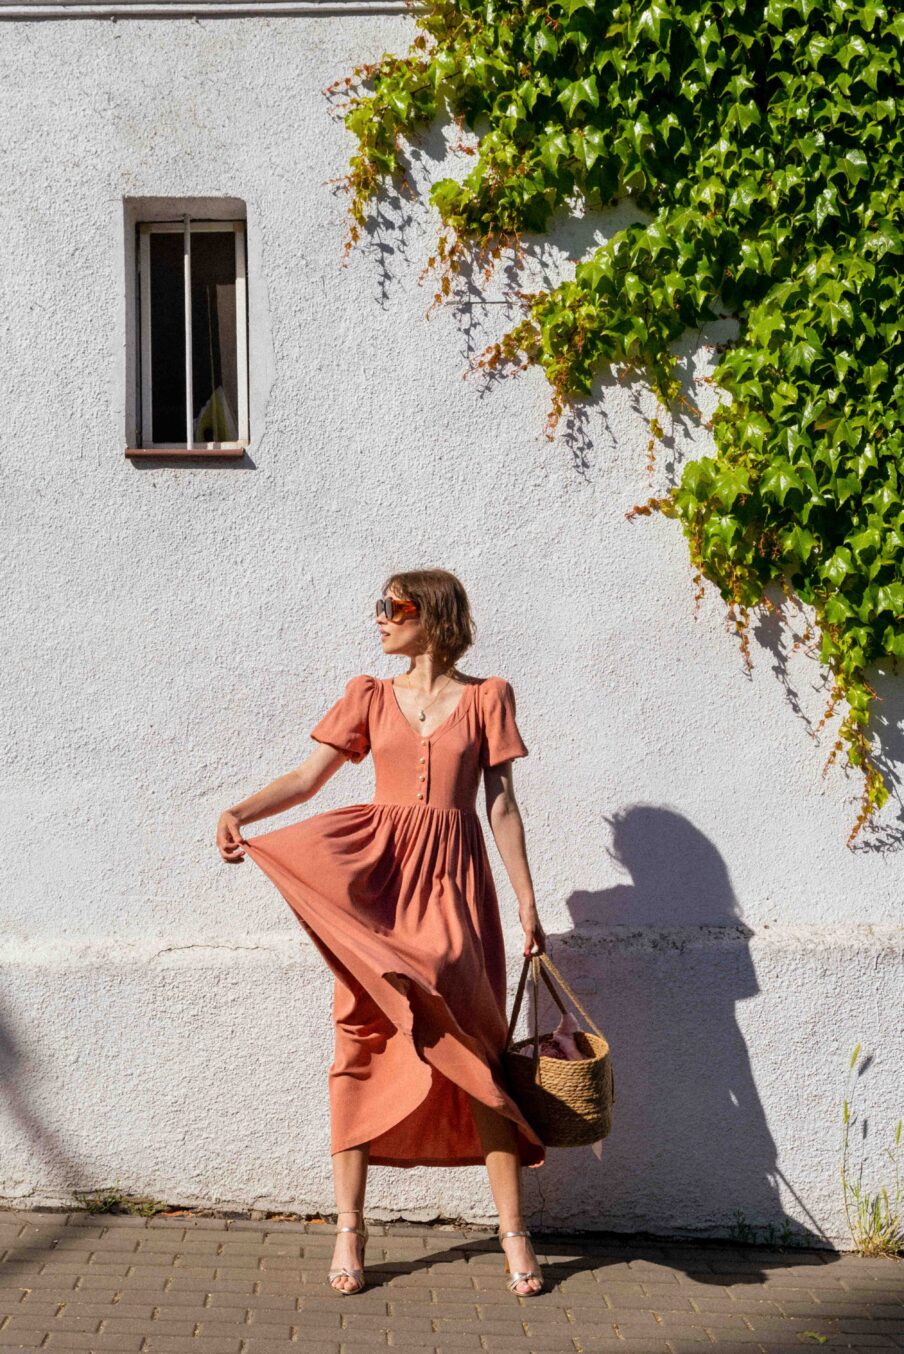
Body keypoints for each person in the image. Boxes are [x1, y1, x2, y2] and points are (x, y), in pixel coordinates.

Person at [216, 568, 548, 1297]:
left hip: (455, 892)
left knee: (476, 1045)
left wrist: (527, 901)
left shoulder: (488, 697)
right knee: (361, 1039)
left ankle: (514, 1233)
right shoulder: (369, 695)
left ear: (433, 616)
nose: (380, 618)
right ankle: (350, 1227)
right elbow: (308, 779)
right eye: (381, 606)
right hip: (380, 892)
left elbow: (501, 807)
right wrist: (241, 811)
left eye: (393, 606)